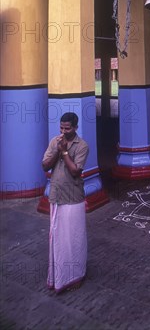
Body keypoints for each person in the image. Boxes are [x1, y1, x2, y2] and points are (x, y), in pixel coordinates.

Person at [42, 112, 89, 293]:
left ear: (75, 128)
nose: (63, 131)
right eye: (61, 127)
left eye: (67, 128)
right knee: (58, 239)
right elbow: (45, 166)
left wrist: (65, 152)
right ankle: (59, 278)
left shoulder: (82, 146)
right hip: (57, 195)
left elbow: (75, 171)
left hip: (73, 197)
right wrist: (57, 151)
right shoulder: (55, 141)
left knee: (74, 238)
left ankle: (76, 275)